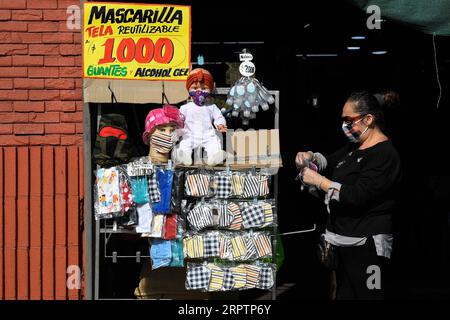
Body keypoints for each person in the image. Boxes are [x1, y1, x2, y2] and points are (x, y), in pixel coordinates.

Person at [295, 91, 402, 300]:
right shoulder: (353, 148)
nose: (344, 126)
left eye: (348, 120)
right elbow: (329, 161)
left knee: (369, 296)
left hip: (368, 247)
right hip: (340, 244)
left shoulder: (385, 155)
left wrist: (319, 181)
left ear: (368, 119)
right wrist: (309, 158)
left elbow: (357, 195)